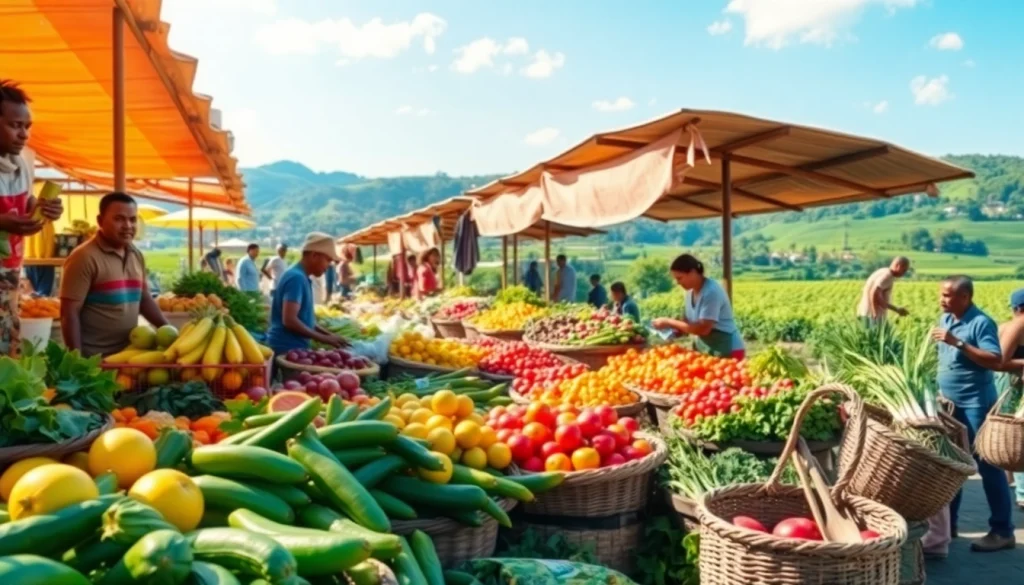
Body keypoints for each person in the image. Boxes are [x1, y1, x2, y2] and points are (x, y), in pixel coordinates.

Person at [925, 275, 1013, 554]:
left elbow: (995, 359)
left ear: (965, 297)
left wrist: (958, 343)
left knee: (987, 466)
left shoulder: (980, 322)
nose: (942, 299)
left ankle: (1002, 530)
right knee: (953, 465)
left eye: (948, 295)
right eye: (941, 294)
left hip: (975, 403)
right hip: (950, 405)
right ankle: (948, 526)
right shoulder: (947, 319)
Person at [60, 193, 167, 357]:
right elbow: (69, 313)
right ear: (100, 221)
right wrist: (77, 361)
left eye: (132, 219)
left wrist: (169, 331)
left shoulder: (136, 255)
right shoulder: (83, 257)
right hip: (94, 359)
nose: (128, 226)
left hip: (128, 354)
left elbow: (144, 299)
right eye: (119, 219)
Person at [0, 80, 63, 356]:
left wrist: (47, 209)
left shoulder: (23, 162)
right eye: (15, 126)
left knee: (7, 345)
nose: (23, 134)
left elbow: (27, 204)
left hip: (10, 274)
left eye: (27, 127)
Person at [266, 233, 347, 358]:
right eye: (328, 260)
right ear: (314, 255)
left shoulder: (301, 276)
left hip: (293, 348)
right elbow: (289, 320)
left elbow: (304, 320)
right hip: (286, 349)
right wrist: (323, 339)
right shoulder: (296, 278)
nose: (329, 266)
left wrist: (329, 335)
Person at [651, 254, 745, 359]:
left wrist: (668, 321)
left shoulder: (711, 292)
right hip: (707, 347)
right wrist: (673, 330)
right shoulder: (689, 292)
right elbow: (687, 323)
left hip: (727, 348)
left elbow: (703, 329)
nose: (677, 282)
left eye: (679, 278)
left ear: (692, 272)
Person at [996, 288, 1024, 509]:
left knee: (1010, 434)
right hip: (1010, 383)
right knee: (1015, 433)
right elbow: (1000, 361)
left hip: (1011, 383)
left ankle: (1009, 484)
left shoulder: (1011, 325)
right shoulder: (1016, 326)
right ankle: (1020, 492)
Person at [856, 257, 910, 325]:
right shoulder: (887, 276)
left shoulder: (883, 271)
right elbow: (874, 292)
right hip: (872, 317)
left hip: (865, 313)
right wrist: (875, 312)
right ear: (898, 266)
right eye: (904, 270)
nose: (904, 273)